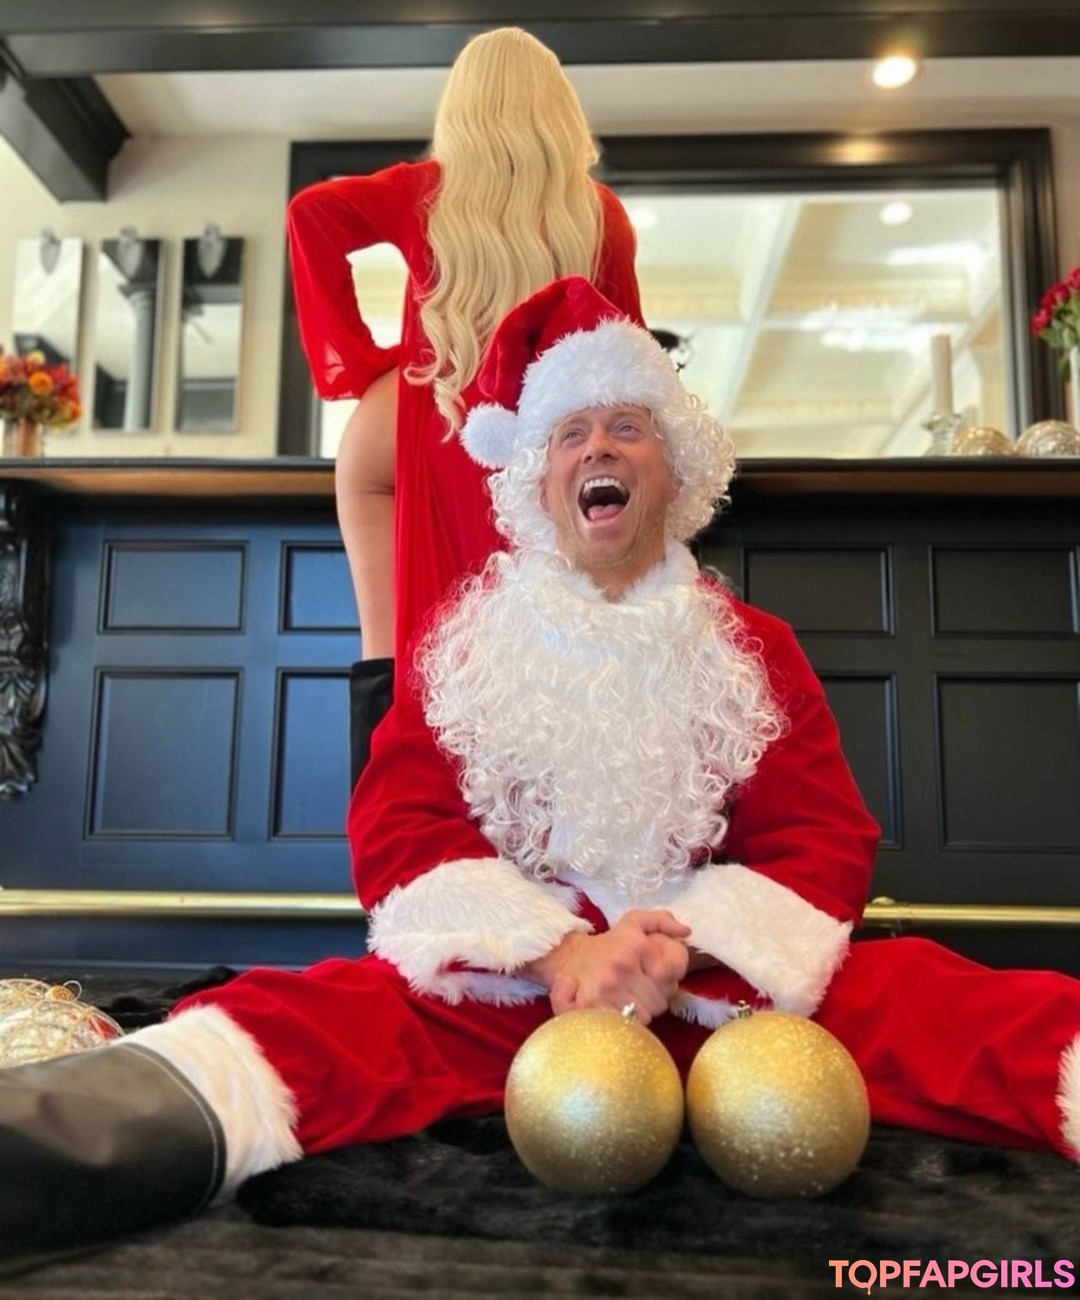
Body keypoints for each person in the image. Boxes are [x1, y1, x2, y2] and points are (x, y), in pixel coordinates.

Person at [2, 278, 1078, 1258]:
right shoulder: (465, 646)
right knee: (291, 1026)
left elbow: (821, 839)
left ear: (675, 471)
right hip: (510, 993)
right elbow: (401, 828)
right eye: (570, 432)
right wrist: (561, 952)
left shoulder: (755, 648)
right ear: (539, 478)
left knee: (949, 1006)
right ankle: (45, 1155)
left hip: (728, 989)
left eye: (627, 427)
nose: (597, 447)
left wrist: (674, 952)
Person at [287, 25, 643, 670]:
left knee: (430, 640)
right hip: (547, 440)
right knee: (556, 648)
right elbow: (628, 357)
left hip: (441, 420)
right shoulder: (599, 215)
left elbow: (310, 213)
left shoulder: (424, 192)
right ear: (558, 109)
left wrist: (370, 368)